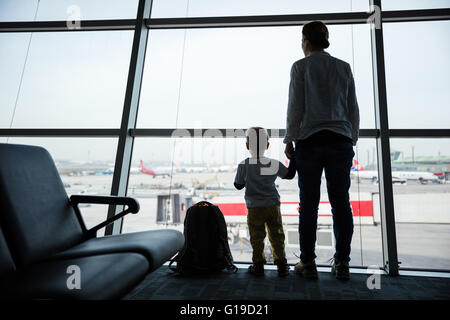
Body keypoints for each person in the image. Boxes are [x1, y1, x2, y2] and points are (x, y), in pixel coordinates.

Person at [283, 21, 360, 280]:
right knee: (341, 204)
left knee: (309, 205)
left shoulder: (300, 67)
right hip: (340, 141)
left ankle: (308, 263)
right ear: (325, 39)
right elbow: (353, 108)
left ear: (305, 40)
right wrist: (352, 139)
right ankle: (342, 264)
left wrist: (289, 139)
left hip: (310, 142)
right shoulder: (343, 67)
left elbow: (296, 106)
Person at [234, 127, 296, 277]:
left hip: (254, 207)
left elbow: (238, 185)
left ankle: (258, 265)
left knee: (257, 237)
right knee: (277, 235)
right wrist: (293, 158)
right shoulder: (273, 164)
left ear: (247, 146)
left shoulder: (244, 165)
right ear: (267, 145)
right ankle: (281, 265)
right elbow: (289, 175)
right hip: (272, 205)